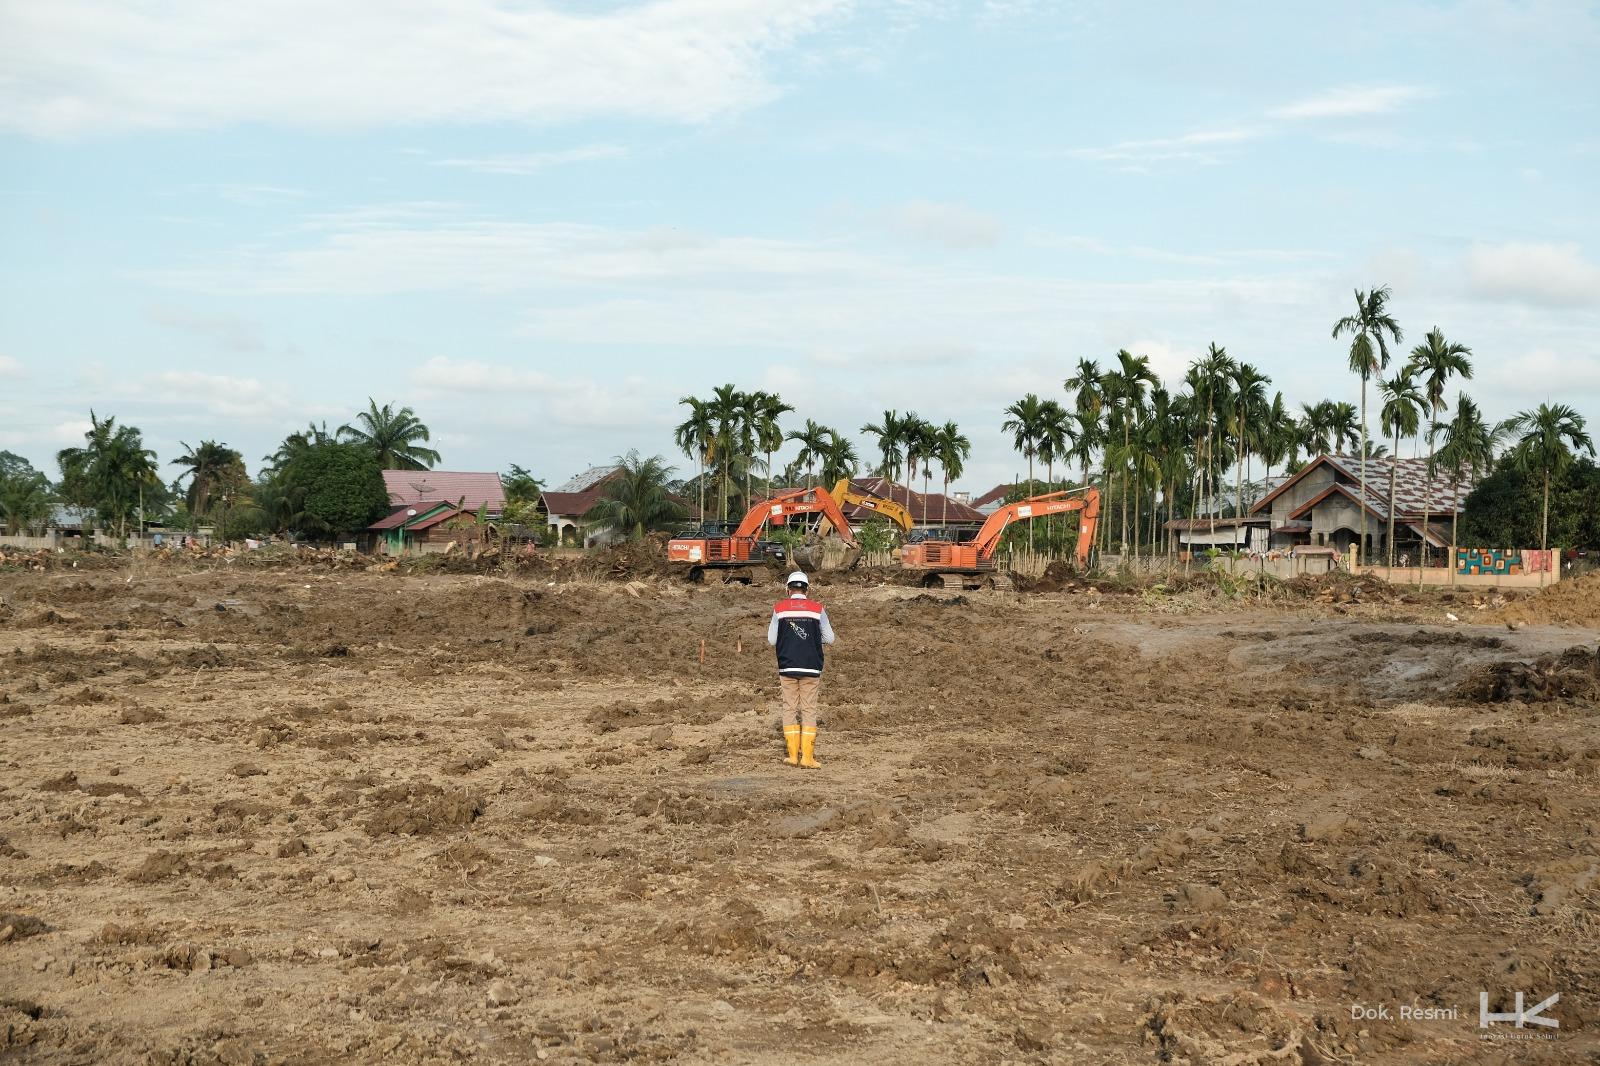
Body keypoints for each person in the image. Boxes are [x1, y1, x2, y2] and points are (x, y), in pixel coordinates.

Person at [767, 570, 835, 769]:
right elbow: (830, 638)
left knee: (789, 708)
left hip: (787, 666)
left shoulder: (779, 609)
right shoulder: (817, 608)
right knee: (809, 709)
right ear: (807, 589)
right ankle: (807, 758)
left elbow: (772, 640)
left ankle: (792, 756)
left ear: (788, 589)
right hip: (811, 667)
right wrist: (813, 639)